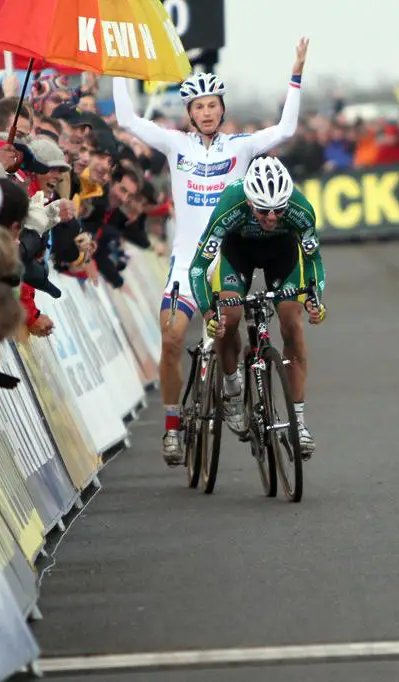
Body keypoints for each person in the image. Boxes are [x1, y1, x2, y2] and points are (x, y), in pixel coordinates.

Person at [113, 38, 310, 466]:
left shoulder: (239, 147)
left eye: (212, 105)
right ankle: (171, 427)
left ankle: (233, 386)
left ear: (221, 109)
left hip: (228, 258)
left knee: (229, 326)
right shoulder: (174, 145)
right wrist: (118, 67)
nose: (206, 112)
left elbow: (286, 130)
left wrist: (295, 74)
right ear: (189, 113)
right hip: (186, 260)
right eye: (198, 106)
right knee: (170, 340)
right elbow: (126, 117)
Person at [187, 157, 326, 458]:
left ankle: (298, 424)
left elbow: (313, 260)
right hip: (239, 253)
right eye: (264, 210)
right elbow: (198, 268)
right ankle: (232, 387)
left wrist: (315, 299)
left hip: (281, 253)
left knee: (293, 322)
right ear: (250, 202)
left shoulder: (301, 209)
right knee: (229, 317)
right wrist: (211, 313)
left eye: (279, 209)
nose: (273, 217)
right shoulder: (231, 204)